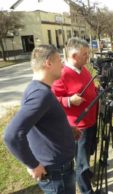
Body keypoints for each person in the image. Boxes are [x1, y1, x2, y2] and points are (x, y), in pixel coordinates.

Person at [4, 45, 76, 194]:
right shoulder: (40, 94)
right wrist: (33, 164)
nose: (63, 64)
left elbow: (41, 123)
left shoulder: (39, 89)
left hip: (59, 168)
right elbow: (12, 135)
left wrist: (69, 131)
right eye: (59, 60)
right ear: (48, 63)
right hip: (57, 173)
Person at [51, 37, 99, 194]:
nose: (88, 57)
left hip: (91, 121)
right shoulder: (62, 74)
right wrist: (69, 101)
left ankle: (87, 175)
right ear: (73, 56)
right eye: (85, 54)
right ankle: (86, 190)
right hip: (79, 127)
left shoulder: (83, 69)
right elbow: (51, 100)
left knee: (88, 154)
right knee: (81, 162)